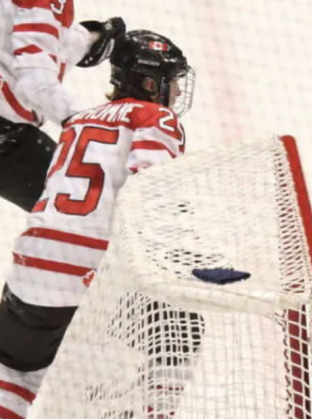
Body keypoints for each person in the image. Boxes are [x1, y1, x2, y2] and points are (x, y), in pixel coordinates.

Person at [0, 29, 193, 419]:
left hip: (33, 264)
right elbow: (147, 190)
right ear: (150, 83)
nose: (175, 94)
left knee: (16, 371)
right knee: (179, 332)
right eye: (171, 83)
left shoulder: (77, 122)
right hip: (93, 269)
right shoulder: (156, 118)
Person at [0, 0, 125, 211]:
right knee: (84, 206)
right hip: (7, 138)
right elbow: (37, 83)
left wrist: (91, 38)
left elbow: (30, 38)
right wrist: (89, 126)